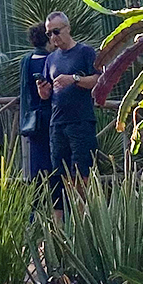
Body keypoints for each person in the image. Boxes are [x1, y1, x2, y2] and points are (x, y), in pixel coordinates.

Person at [36, 11, 97, 216]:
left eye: (56, 32)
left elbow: (98, 80)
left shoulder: (85, 52)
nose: (53, 38)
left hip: (81, 121)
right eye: (49, 34)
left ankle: (83, 220)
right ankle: (59, 227)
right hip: (57, 123)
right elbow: (46, 94)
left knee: (82, 173)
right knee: (58, 175)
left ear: (68, 28)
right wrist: (43, 91)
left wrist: (75, 79)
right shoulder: (50, 59)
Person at [18, 23, 57, 197]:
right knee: (55, 163)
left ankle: (36, 209)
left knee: (37, 166)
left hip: (34, 119)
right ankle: (58, 208)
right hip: (53, 116)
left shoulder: (26, 61)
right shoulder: (53, 59)